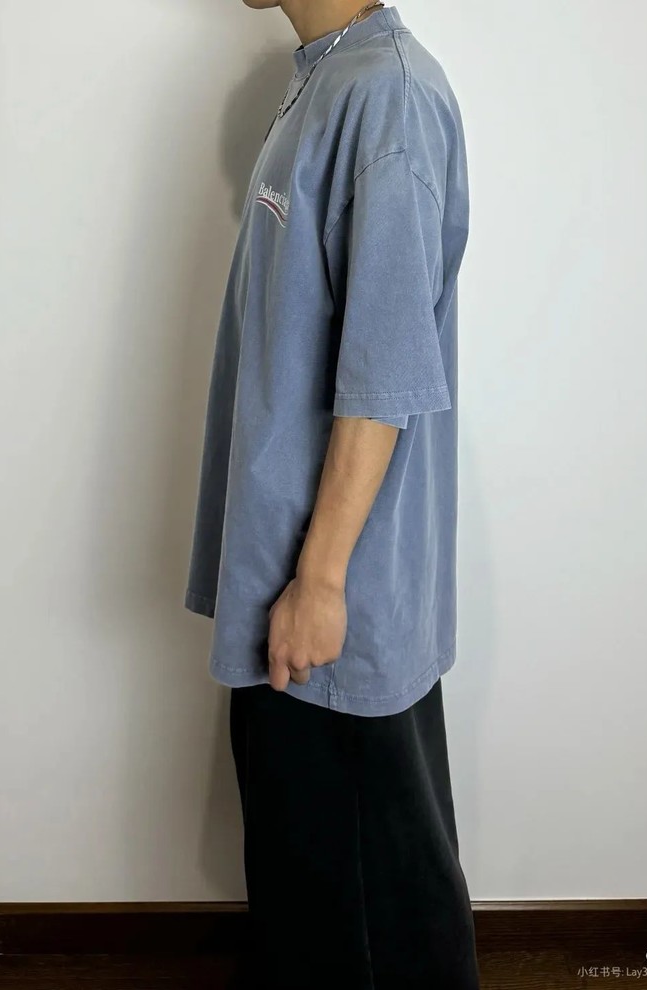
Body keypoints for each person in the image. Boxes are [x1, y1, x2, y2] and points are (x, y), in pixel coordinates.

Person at [184, 1, 478, 986]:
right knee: (307, 882)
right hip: (283, 564)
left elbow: (386, 373)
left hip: (333, 586)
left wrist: (318, 581)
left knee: (374, 904)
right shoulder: (324, 73)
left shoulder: (386, 94)